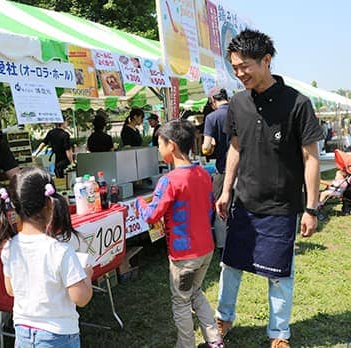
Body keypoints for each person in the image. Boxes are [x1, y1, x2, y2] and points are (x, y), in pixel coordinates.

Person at [215, 29, 323, 348]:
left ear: (266, 60)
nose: (239, 73)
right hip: (244, 202)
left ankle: (279, 333)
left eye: (244, 66)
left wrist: (312, 208)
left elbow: (311, 158)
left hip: (282, 204)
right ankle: (224, 318)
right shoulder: (237, 103)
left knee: (279, 273)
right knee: (231, 265)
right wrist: (226, 191)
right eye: (234, 67)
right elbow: (235, 147)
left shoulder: (298, 104)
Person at [135, 120, 224, 348]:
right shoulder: (204, 174)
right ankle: (214, 340)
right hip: (206, 249)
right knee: (195, 292)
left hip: (184, 256)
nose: (158, 149)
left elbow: (151, 215)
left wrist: (139, 204)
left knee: (181, 301)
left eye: (159, 144)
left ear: (171, 145)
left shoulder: (169, 181)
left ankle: (185, 345)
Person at [0, 167, 93, 348]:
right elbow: (81, 298)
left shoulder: (10, 247)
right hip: (58, 335)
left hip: (23, 331)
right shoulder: (60, 251)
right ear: (50, 203)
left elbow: (11, 289)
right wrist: (87, 275)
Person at [201, 86, 230, 255]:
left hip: (223, 169)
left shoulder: (212, 117)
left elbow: (206, 146)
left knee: (221, 209)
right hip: (246, 170)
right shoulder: (239, 113)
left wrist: (209, 150)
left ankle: (223, 250)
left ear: (212, 101)